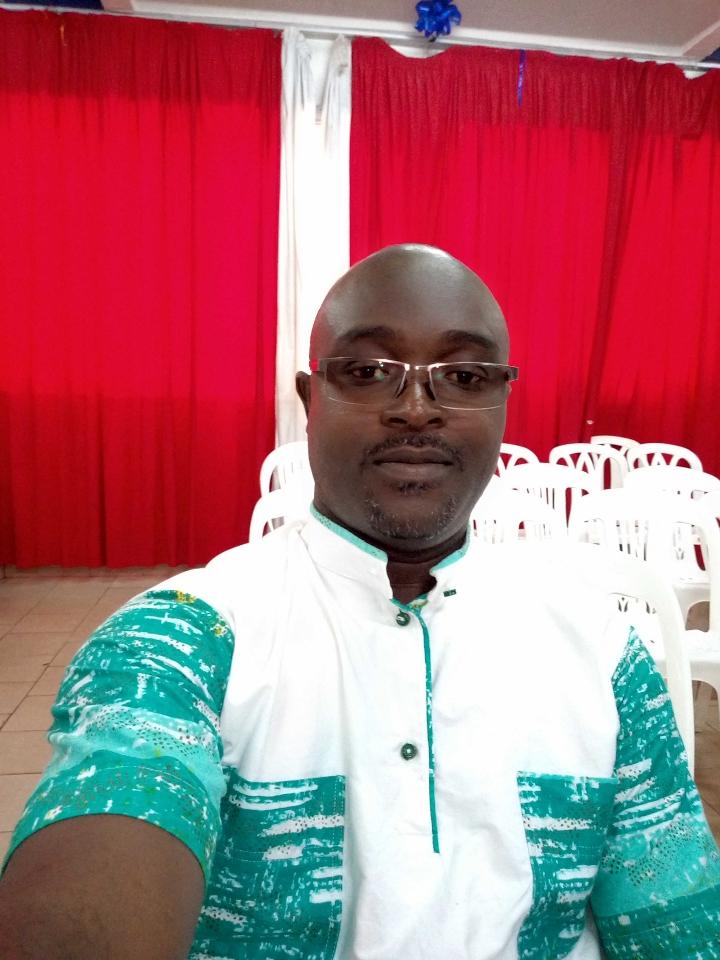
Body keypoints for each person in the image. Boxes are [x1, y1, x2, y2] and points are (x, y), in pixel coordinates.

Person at [0, 244, 718, 959]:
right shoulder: (183, 641)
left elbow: (676, 921)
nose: (416, 409)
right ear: (310, 401)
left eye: (464, 376)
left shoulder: (599, 647)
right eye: (369, 372)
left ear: (502, 402)